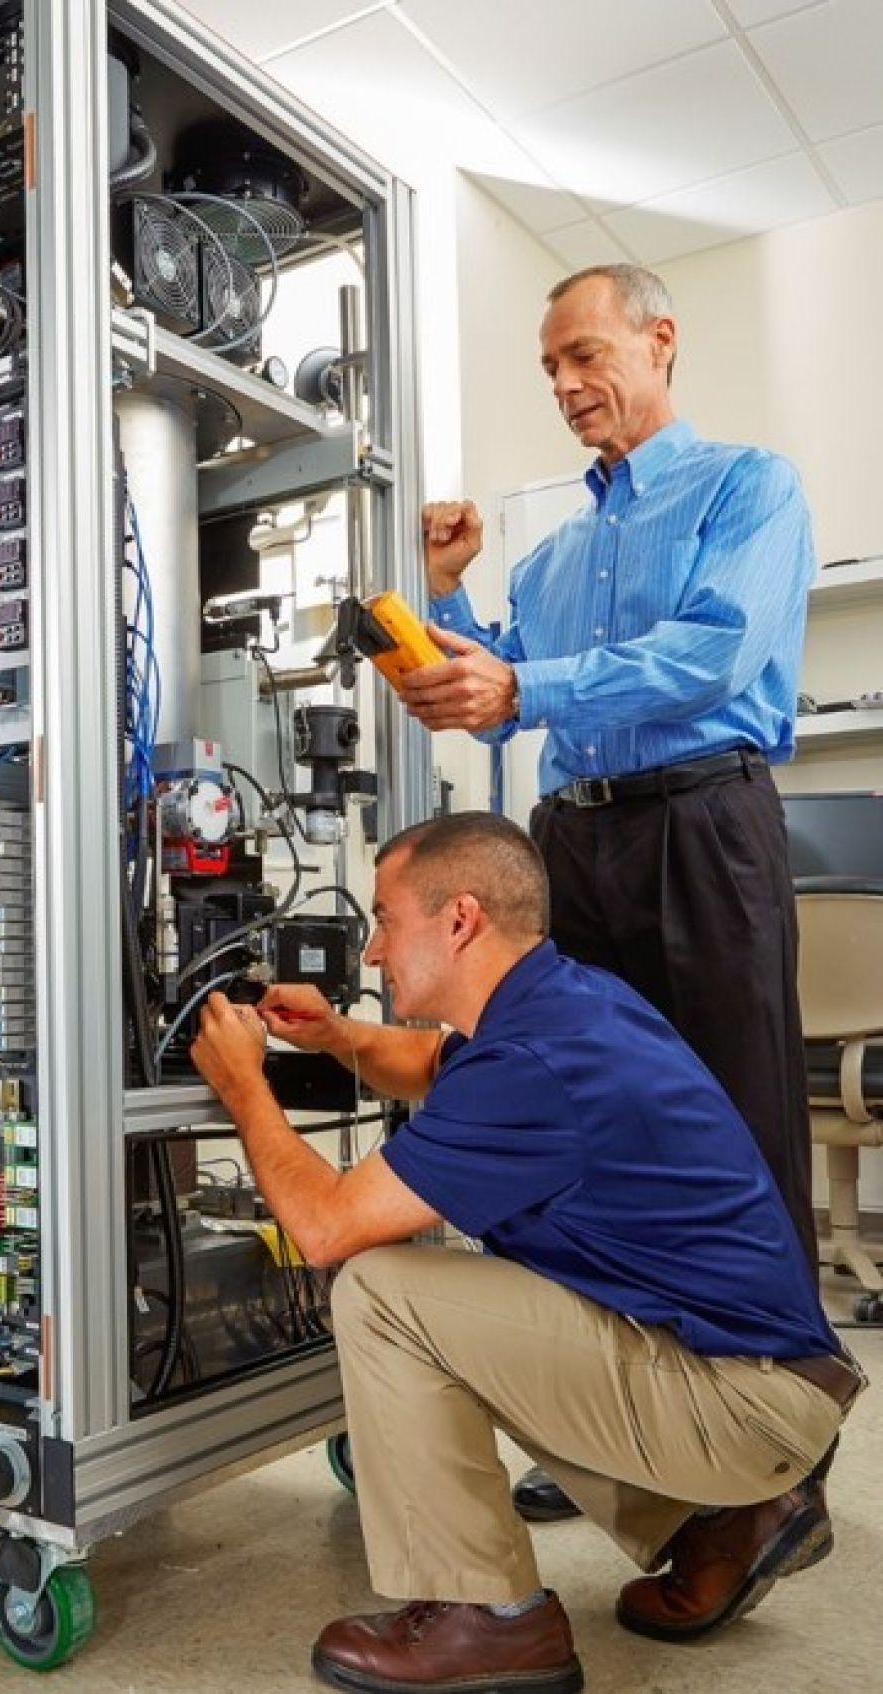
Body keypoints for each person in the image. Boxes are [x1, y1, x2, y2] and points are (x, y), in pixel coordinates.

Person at [190, 813, 862, 1694]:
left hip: (744, 1407)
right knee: (493, 1303)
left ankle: (489, 1619)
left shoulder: (536, 1062)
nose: (374, 956)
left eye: (388, 920)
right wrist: (337, 1037)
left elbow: (323, 1229)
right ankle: (719, 1528)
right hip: (767, 1385)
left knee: (384, 1289)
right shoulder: (563, 1002)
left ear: (460, 919)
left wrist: (244, 1087)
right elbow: (436, 1063)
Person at [405, 262, 820, 1522]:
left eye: (586, 355)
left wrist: (525, 688)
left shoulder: (748, 485)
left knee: (739, 1129)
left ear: (658, 343)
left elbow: (710, 654)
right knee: (571, 1134)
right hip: (570, 848)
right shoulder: (553, 559)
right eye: (550, 369)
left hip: (703, 828)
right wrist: (445, 595)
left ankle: (775, 1473)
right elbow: (502, 688)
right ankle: (606, 1417)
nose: (568, 386)